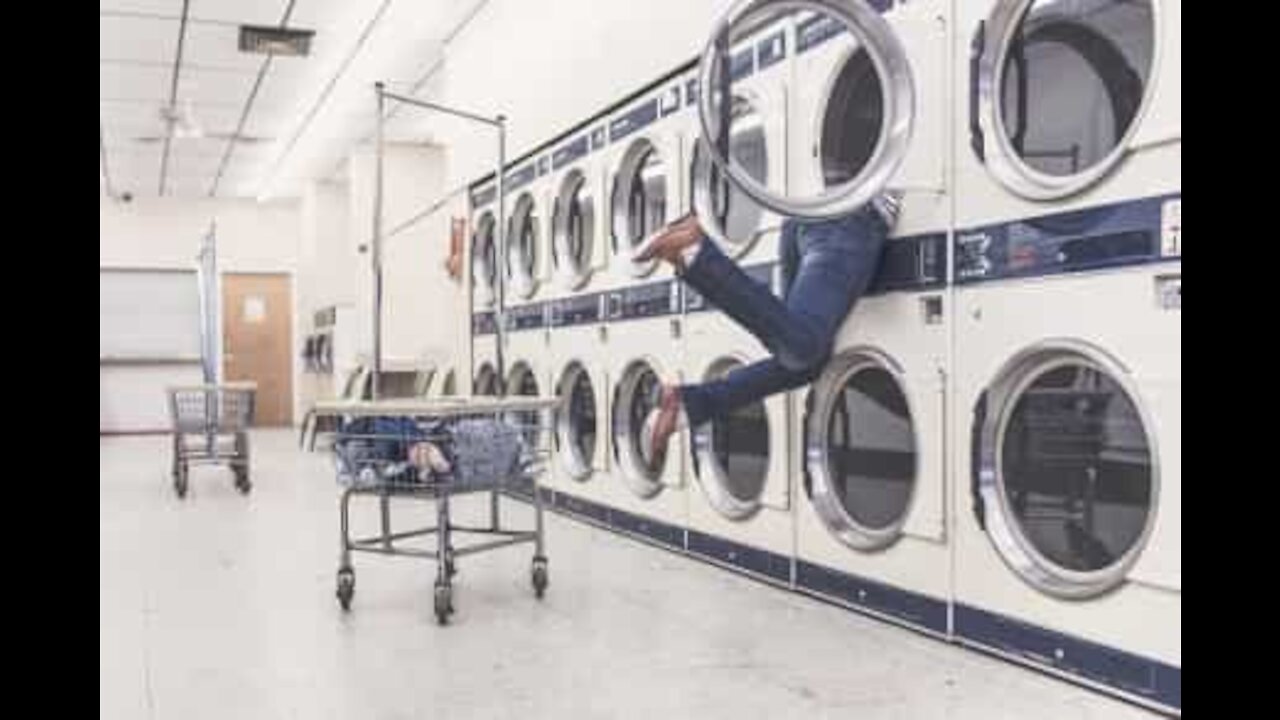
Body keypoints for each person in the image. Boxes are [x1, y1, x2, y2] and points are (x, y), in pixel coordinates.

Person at [634, 191, 902, 463]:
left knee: (804, 359)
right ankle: (694, 253)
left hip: (806, 224)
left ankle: (688, 405)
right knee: (802, 346)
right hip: (852, 220)